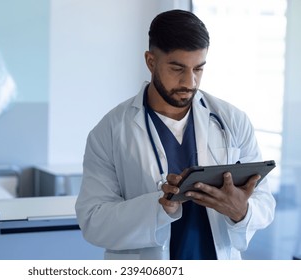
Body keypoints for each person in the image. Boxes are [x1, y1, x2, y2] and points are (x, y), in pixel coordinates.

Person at [75, 9, 276, 260]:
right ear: (150, 61)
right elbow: (93, 221)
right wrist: (158, 207)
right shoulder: (110, 131)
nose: (190, 82)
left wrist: (241, 211)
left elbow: (264, 204)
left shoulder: (232, 121)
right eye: (177, 68)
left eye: (198, 69)